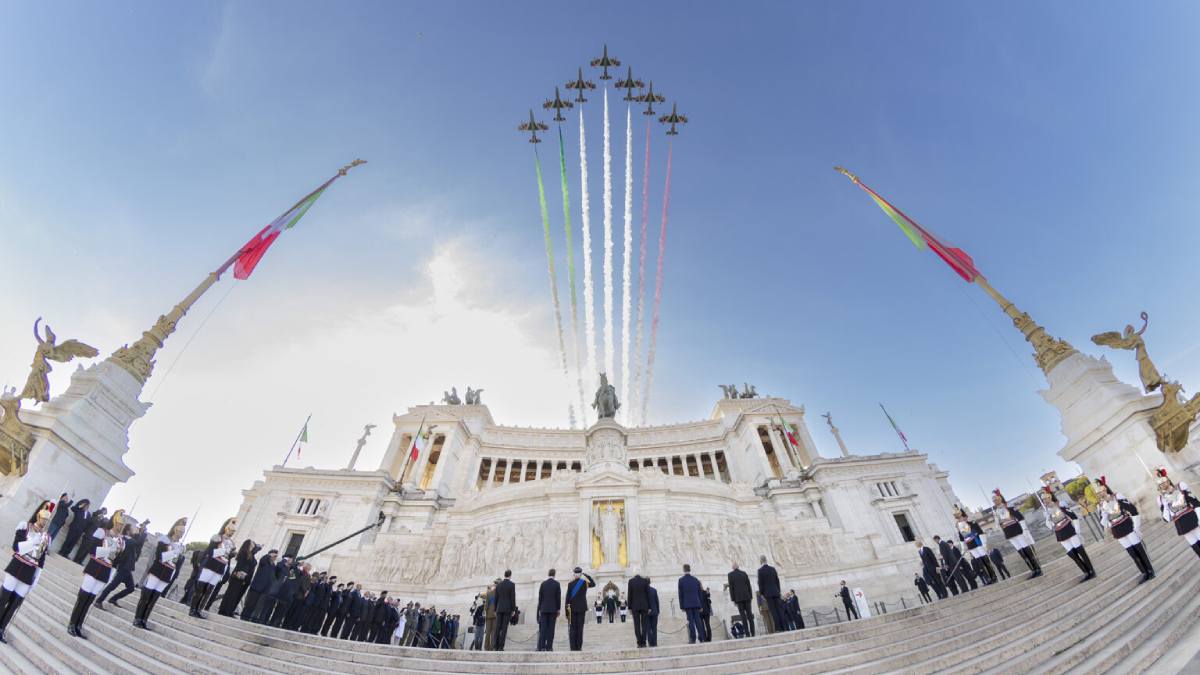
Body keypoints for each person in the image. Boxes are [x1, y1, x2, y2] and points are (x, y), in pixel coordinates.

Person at [0, 500, 55, 643]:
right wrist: (33, 542)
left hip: (29, 571)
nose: (44, 522)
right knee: (3, 598)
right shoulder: (26, 527)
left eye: (46, 520)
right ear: (38, 517)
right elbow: (16, 547)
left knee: (14, 603)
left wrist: (37, 576)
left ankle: (2, 628)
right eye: (43, 519)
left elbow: (41, 559)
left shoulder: (46, 537)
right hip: (16, 566)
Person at [68, 510, 125, 638]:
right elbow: (92, 548)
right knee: (83, 597)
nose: (120, 526)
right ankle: (72, 623)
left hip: (105, 571)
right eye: (118, 523)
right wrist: (107, 550)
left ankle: (79, 625)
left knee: (90, 599)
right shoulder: (102, 532)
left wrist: (112, 573)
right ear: (114, 522)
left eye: (122, 524)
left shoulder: (121, 541)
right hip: (94, 566)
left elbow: (117, 560)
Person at [1097, 476, 1154, 583]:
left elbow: (1133, 510)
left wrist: (1136, 527)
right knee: (1132, 552)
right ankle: (1144, 572)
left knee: (1139, 549)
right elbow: (1104, 523)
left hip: (1128, 526)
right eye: (1099, 493)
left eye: (1102, 491)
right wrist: (1103, 511)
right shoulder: (1101, 505)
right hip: (1117, 531)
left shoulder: (1117, 496)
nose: (1101, 494)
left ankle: (1150, 570)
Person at [133, 517, 186, 630]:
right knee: (146, 596)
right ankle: (137, 618)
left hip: (167, 574)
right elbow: (161, 557)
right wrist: (175, 552)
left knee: (154, 599)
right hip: (157, 571)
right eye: (180, 531)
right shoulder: (164, 539)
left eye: (183, 532)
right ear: (175, 529)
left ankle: (144, 620)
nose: (181, 534)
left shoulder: (180, 546)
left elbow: (176, 563)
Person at [1042, 487, 1096, 582]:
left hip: (1069, 529)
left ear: (1050, 497)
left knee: (1080, 551)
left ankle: (1091, 571)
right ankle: (1085, 572)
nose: (1044, 501)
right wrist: (1048, 520)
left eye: (1045, 498)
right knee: (1072, 554)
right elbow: (1049, 525)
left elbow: (1074, 517)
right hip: (1060, 533)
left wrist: (1077, 531)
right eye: (1043, 499)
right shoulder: (1045, 511)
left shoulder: (1060, 504)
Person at [190, 517, 237, 618]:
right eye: (230, 530)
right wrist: (223, 551)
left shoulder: (232, 544)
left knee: (208, 591)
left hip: (220, 568)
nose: (231, 532)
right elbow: (210, 552)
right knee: (200, 588)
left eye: (233, 531)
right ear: (225, 528)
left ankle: (199, 609)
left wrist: (231, 555)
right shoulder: (217, 537)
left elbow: (227, 558)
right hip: (210, 565)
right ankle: (192, 609)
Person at [96, 519, 146, 610]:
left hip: (127, 568)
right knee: (113, 585)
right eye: (132, 529)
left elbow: (137, 542)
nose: (134, 530)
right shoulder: (125, 540)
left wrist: (141, 530)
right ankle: (99, 600)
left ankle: (113, 599)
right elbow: (138, 542)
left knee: (130, 588)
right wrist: (143, 530)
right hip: (124, 567)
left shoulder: (130, 540)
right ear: (128, 531)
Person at [992, 489, 1042, 578]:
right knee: (1021, 552)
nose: (995, 501)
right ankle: (1033, 570)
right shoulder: (996, 512)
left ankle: (1038, 569)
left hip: (1018, 531)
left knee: (1027, 550)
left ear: (1000, 499)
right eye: (993, 500)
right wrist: (1000, 525)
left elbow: (1020, 517)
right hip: (1009, 533)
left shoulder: (1009, 507)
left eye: (996, 499)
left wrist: (1024, 530)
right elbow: (997, 525)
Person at [1156, 467, 1200, 559]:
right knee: (1195, 547)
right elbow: (1167, 519)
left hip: (1192, 519)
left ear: (1168, 481)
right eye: (1160, 485)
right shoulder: (1161, 499)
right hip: (1181, 525)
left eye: (1164, 483)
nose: (1163, 486)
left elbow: (1195, 503)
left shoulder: (1180, 487)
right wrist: (1165, 506)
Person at [954, 505, 996, 585]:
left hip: (978, 543)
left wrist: (984, 543)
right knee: (979, 563)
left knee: (985, 561)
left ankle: (993, 575)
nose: (961, 520)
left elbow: (980, 532)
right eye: (959, 519)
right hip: (971, 546)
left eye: (962, 517)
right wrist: (963, 549)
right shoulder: (960, 529)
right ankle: (987, 578)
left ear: (965, 517)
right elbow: (962, 540)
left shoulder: (972, 523)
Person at [220, 539, 261, 617]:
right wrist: (238, 573)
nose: (254, 544)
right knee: (232, 594)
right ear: (248, 545)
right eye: (252, 543)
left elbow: (257, 548)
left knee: (237, 595)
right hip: (239, 576)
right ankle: (225, 610)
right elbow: (240, 565)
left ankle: (230, 610)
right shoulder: (244, 553)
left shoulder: (251, 554)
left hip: (246, 578)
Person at [242, 549, 277, 622]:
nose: (275, 558)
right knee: (250, 603)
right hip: (257, 586)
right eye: (274, 556)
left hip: (264, 589)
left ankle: (250, 617)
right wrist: (269, 555)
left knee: (256, 605)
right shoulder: (264, 561)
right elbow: (263, 559)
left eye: (275, 557)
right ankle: (244, 616)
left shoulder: (273, 565)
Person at [564, 566, 595, 651]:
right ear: (580, 574)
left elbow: (567, 599)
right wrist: (586, 575)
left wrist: (566, 612)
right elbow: (593, 584)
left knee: (573, 628)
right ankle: (579, 647)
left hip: (572, 609)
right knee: (580, 628)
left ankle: (573, 647)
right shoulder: (584, 583)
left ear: (574, 574)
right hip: (581, 608)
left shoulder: (570, 584)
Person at [757, 555, 786, 633]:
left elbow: (761, 583)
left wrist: (762, 594)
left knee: (773, 611)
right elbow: (777, 581)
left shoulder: (760, 571)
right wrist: (778, 591)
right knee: (780, 610)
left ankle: (778, 628)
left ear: (761, 561)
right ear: (766, 560)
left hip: (768, 594)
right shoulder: (773, 569)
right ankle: (784, 627)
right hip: (776, 592)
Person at [678, 563, 706, 644]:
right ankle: (702, 638)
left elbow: (680, 594)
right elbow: (700, 593)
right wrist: (700, 605)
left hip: (687, 604)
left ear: (684, 570)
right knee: (698, 621)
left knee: (690, 621)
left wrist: (681, 606)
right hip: (696, 603)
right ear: (689, 569)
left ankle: (693, 639)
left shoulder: (681, 580)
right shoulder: (695, 579)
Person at [727, 562, 756, 637]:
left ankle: (747, 633)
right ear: (738, 567)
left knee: (743, 617)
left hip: (738, 599)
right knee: (749, 615)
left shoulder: (730, 575)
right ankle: (753, 633)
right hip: (747, 597)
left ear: (733, 567)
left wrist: (733, 599)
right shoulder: (744, 573)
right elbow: (748, 585)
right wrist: (751, 596)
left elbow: (731, 588)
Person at [536, 568, 561, 651]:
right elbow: (558, 598)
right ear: (554, 574)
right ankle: (549, 647)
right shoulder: (557, 584)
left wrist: (539, 609)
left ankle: (541, 646)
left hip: (543, 609)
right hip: (553, 609)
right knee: (551, 629)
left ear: (548, 574)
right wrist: (558, 609)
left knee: (543, 629)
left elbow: (540, 598)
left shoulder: (543, 584)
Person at [493, 569, 516, 651]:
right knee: (504, 628)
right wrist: (513, 609)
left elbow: (496, 598)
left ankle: (495, 645)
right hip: (507, 609)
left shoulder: (499, 585)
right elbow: (512, 598)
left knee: (497, 627)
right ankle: (501, 647)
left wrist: (495, 609)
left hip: (499, 608)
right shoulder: (512, 585)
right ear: (510, 575)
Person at [627, 570, 651, 648]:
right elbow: (648, 595)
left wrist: (629, 607)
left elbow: (629, 595)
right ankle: (644, 642)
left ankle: (639, 642)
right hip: (644, 605)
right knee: (644, 625)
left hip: (635, 606)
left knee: (636, 625)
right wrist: (649, 606)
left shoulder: (631, 581)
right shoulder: (645, 581)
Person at [483, 581, 498, 650]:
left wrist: (486, 612)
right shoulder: (499, 594)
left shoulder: (489, 593)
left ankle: (486, 647)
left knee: (488, 632)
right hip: (495, 615)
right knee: (493, 632)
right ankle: (492, 646)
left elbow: (486, 605)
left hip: (488, 615)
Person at [646, 578, 659, 648]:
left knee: (648, 628)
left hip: (646, 612)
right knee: (654, 628)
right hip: (654, 611)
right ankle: (655, 642)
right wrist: (658, 611)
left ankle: (650, 642)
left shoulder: (643, 591)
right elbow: (657, 601)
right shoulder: (654, 590)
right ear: (650, 582)